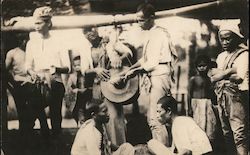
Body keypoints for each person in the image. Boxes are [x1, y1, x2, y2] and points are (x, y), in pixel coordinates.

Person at [120, 3, 178, 146]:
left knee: (157, 118)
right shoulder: (151, 34)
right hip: (155, 76)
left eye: (141, 20)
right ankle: (161, 148)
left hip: (159, 75)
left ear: (151, 18)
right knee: (153, 117)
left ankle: (162, 150)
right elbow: (144, 59)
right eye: (137, 20)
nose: (139, 23)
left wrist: (133, 72)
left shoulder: (158, 33)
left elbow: (151, 63)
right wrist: (129, 69)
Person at [25, 6, 71, 137]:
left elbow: (68, 67)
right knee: (35, 108)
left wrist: (56, 69)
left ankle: (57, 141)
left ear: (48, 23)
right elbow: (28, 65)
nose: (36, 26)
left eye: (39, 23)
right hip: (38, 81)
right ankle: (44, 135)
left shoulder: (59, 41)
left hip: (55, 81)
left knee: (55, 115)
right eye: (35, 23)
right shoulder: (31, 43)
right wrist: (31, 72)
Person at [210, 23, 249, 155]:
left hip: (238, 97)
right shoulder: (221, 56)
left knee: (239, 133)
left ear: (236, 38)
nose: (225, 42)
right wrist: (229, 71)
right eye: (222, 39)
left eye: (228, 38)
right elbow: (213, 75)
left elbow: (239, 78)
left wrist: (223, 73)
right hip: (222, 97)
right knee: (227, 133)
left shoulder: (243, 54)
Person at [148, 95, 213, 155]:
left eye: (159, 112)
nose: (157, 116)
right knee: (153, 144)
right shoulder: (180, 121)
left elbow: (186, 151)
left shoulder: (179, 122)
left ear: (169, 111)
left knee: (152, 144)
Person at [188, 54, 217, 146]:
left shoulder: (210, 79)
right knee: (197, 124)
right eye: (199, 66)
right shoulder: (193, 79)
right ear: (196, 67)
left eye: (204, 65)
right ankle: (198, 145)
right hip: (196, 104)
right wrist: (189, 108)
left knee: (209, 125)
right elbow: (189, 94)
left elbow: (212, 93)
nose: (202, 68)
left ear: (208, 66)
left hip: (207, 104)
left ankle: (208, 144)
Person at [67, 56, 87, 126]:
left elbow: (89, 88)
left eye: (79, 65)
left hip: (86, 99)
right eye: (75, 66)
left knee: (86, 116)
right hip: (77, 100)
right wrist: (72, 90)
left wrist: (79, 90)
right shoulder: (72, 76)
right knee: (80, 115)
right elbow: (69, 88)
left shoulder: (86, 75)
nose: (77, 67)